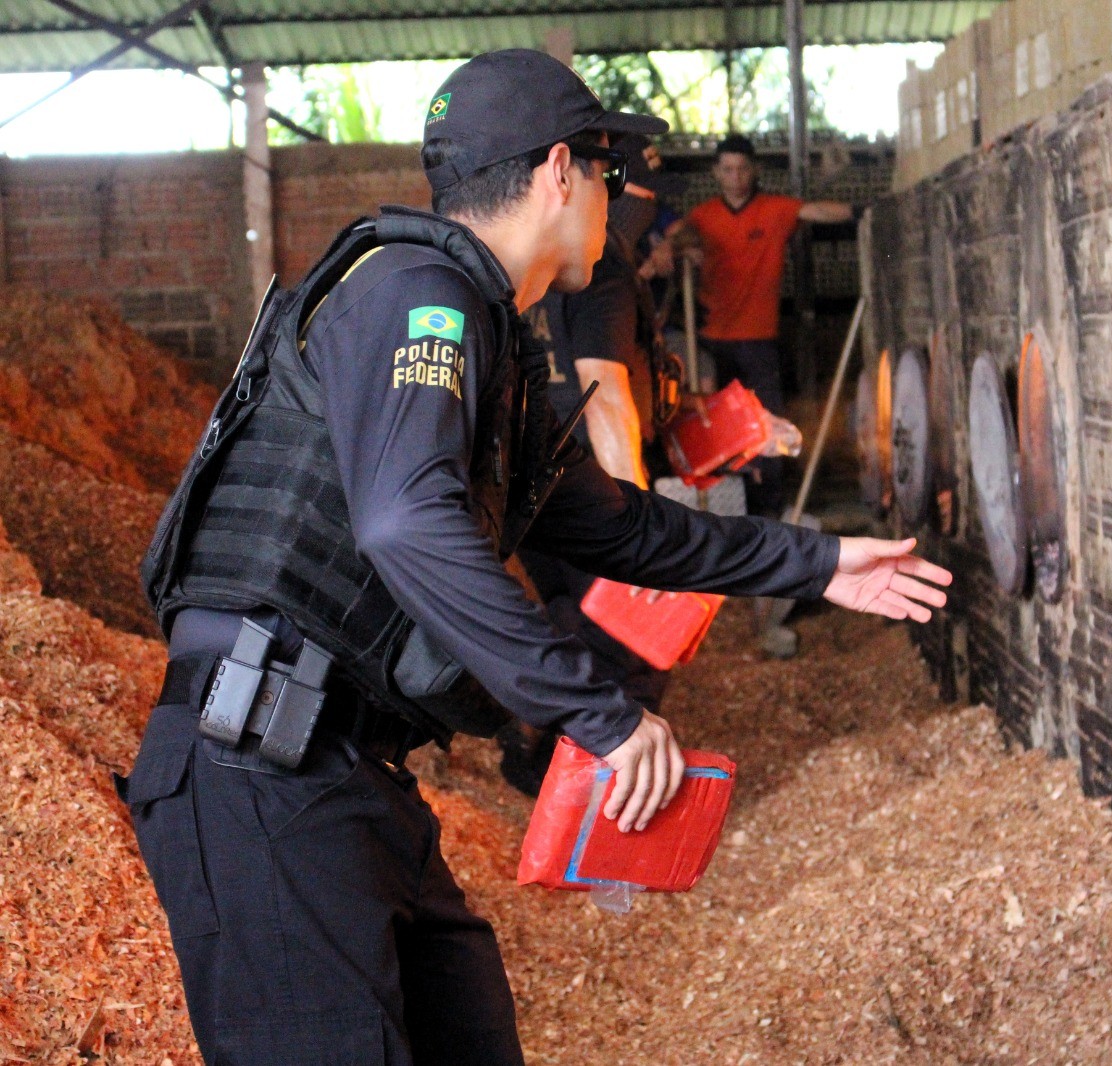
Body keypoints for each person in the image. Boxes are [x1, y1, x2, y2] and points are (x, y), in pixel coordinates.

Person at [125, 50, 952, 1065]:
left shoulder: (489, 334)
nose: (619, 201)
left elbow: (619, 528)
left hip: (343, 773)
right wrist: (598, 714)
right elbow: (404, 519)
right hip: (254, 773)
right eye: (611, 174)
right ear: (562, 170)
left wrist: (817, 562)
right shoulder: (415, 294)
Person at [505, 135, 675, 794]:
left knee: (569, 629)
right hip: (591, 486)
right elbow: (604, 396)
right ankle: (592, 801)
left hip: (536, 481)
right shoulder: (601, 271)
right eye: (630, 189)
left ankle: (547, 771)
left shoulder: (546, 263)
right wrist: (635, 537)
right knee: (626, 649)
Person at [682, 134, 854, 515]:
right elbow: (675, 240)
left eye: (742, 168)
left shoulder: (775, 210)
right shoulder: (702, 217)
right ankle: (724, 514)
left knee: (765, 429)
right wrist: (681, 249)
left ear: (754, 170)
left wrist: (861, 210)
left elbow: (819, 211)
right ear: (716, 173)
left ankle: (769, 517)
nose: (736, 176)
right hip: (711, 344)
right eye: (727, 169)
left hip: (759, 342)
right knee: (720, 431)